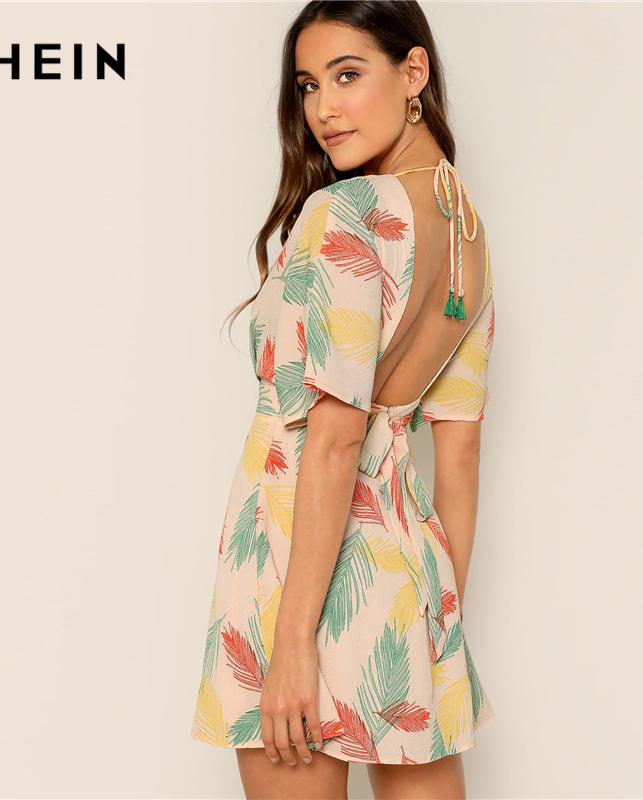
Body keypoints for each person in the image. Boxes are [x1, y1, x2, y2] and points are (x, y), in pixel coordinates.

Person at [190, 2, 497, 797]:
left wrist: (294, 642)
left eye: (348, 75)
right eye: (307, 85)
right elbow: (459, 450)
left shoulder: (347, 212)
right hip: (405, 571)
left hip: (295, 565)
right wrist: (437, 623)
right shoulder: (467, 233)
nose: (323, 107)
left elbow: (332, 439)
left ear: (413, 72)